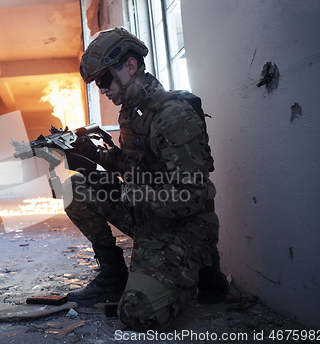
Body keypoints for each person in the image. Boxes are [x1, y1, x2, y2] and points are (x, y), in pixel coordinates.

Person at [63, 27, 229, 332]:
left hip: (184, 223)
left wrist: (128, 194)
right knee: (76, 188)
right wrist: (93, 153)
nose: (103, 89)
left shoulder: (174, 114)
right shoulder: (132, 112)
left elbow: (190, 198)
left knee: (140, 315)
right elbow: (133, 166)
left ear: (130, 65)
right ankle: (113, 276)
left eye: (104, 80)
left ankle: (203, 267)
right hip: (150, 212)